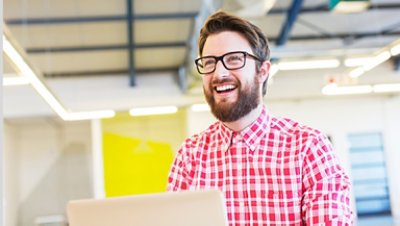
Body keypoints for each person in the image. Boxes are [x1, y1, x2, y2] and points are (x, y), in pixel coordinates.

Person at [167, 11, 353, 225]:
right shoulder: (189, 157)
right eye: (209, 62)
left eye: (234, 59)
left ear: (263, 71)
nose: (219, 74)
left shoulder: (309, 149)